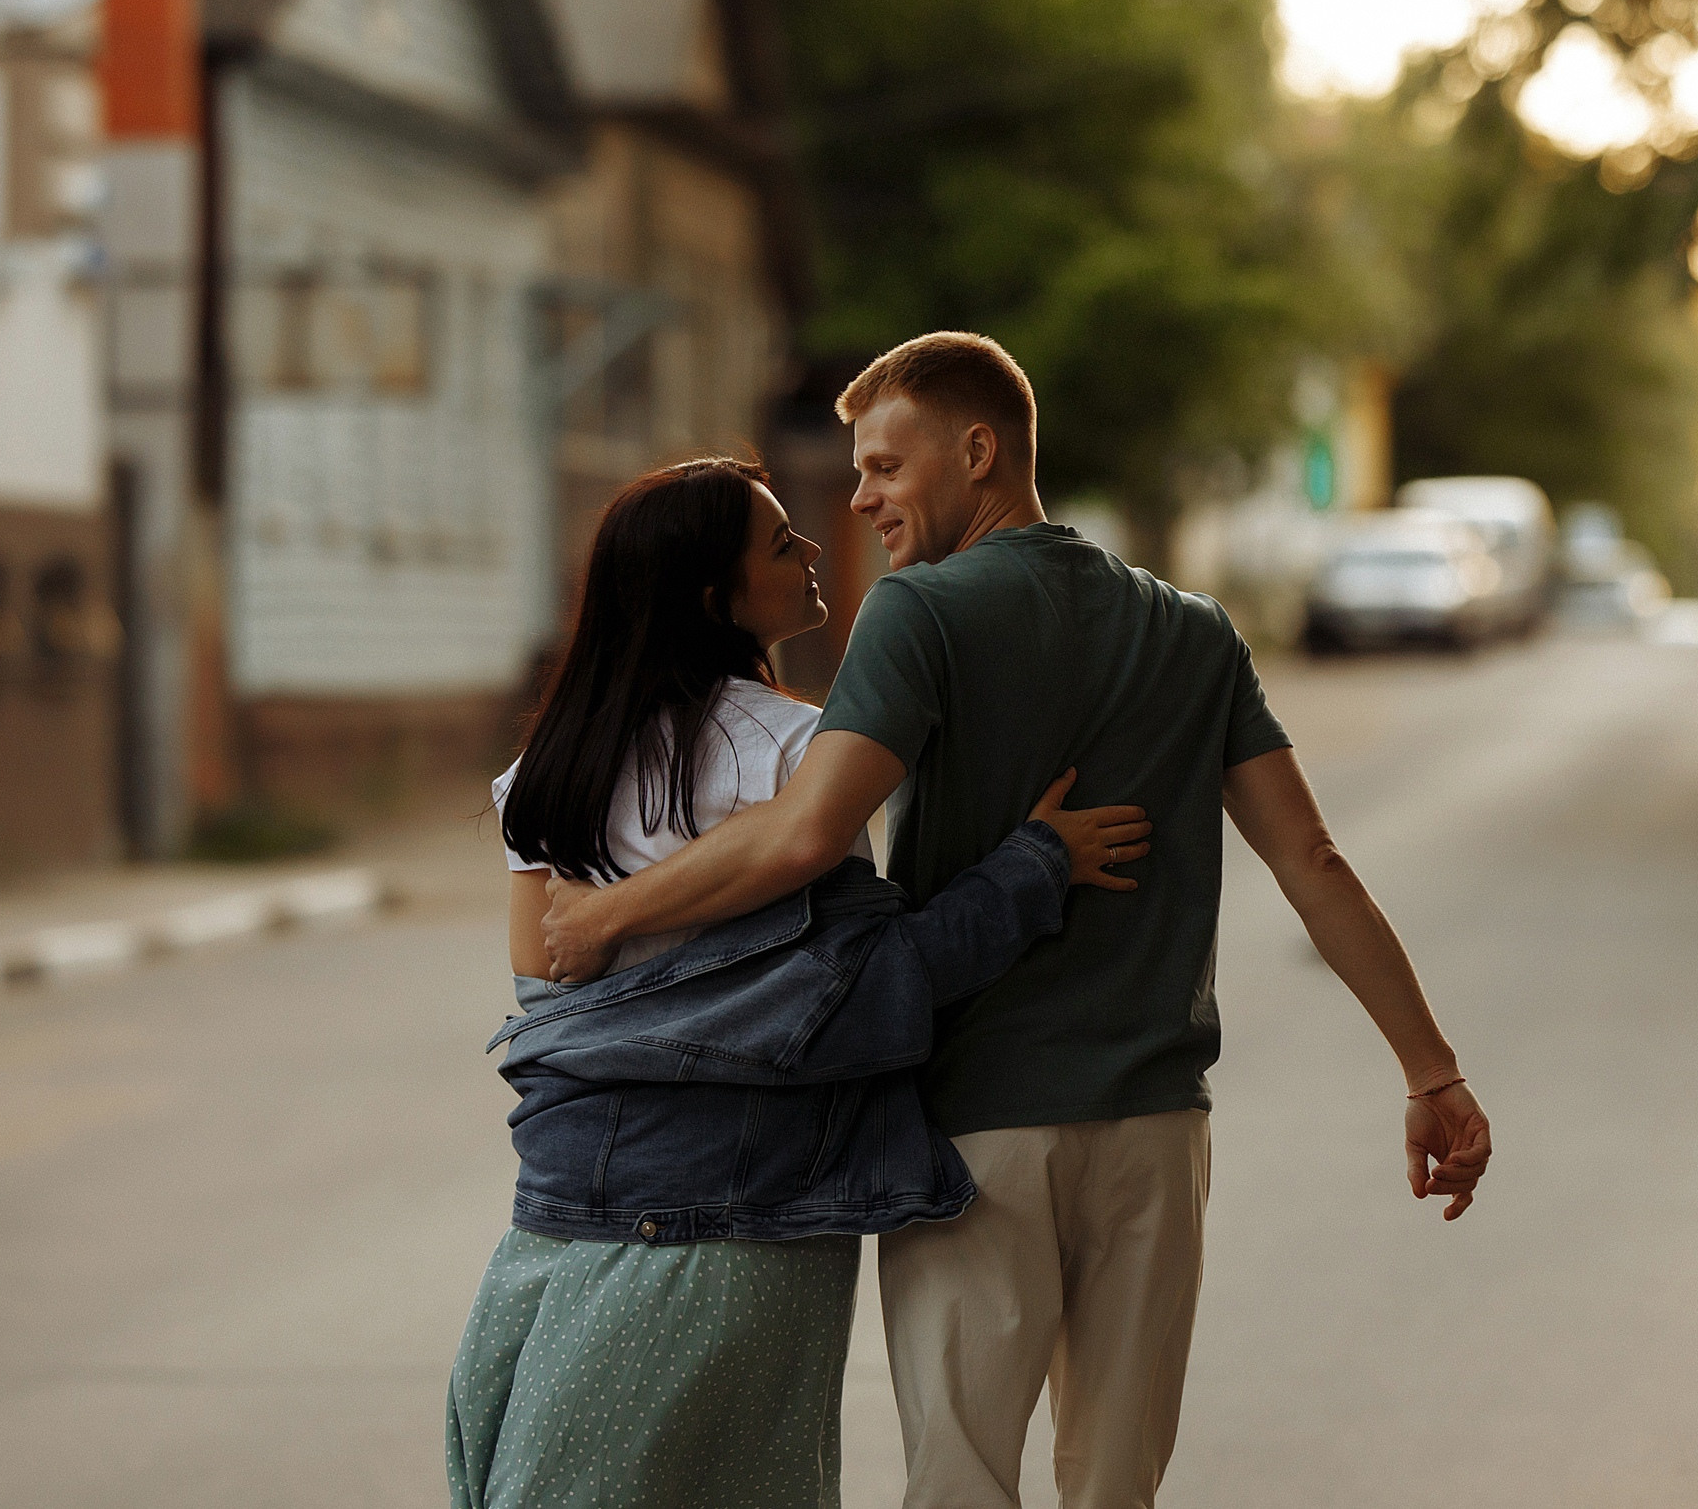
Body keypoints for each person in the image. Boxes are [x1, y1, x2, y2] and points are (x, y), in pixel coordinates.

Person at [540, 336, 1494, 1509]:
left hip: (970, 1135)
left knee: (961, 1484)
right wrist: (1429, 1071)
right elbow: (1311, 860)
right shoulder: (1192, 631)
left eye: (886, 466)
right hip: (1153, 1129)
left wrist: (601, 925)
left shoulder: (919, 615)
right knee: (1114, 1489)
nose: (861, 498)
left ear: (978, 450)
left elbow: (801, 834)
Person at [450, 456, 1150, 1509]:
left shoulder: (545, 769)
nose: (816, 548)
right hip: (744, 1223)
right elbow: (866, 992)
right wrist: (1034, 866)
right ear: (711, 598)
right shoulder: (794, 759)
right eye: (783, 543)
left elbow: (547, 1005)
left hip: (562, 1214)